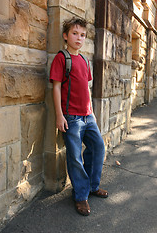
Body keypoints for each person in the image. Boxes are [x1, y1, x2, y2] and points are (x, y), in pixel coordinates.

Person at [49, 17, 108, 216]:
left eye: (82, 35)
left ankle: (92, 185)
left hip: (87, 116)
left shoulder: (84, 60)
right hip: (71, 118)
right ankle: (81, 195)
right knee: (75, 157)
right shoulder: (61, 58)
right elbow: (56, 88)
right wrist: (59, 115)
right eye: (75, 34)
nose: (79, 38)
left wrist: (91, 112)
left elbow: (87, 88)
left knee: (98, 146)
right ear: (66, 36)